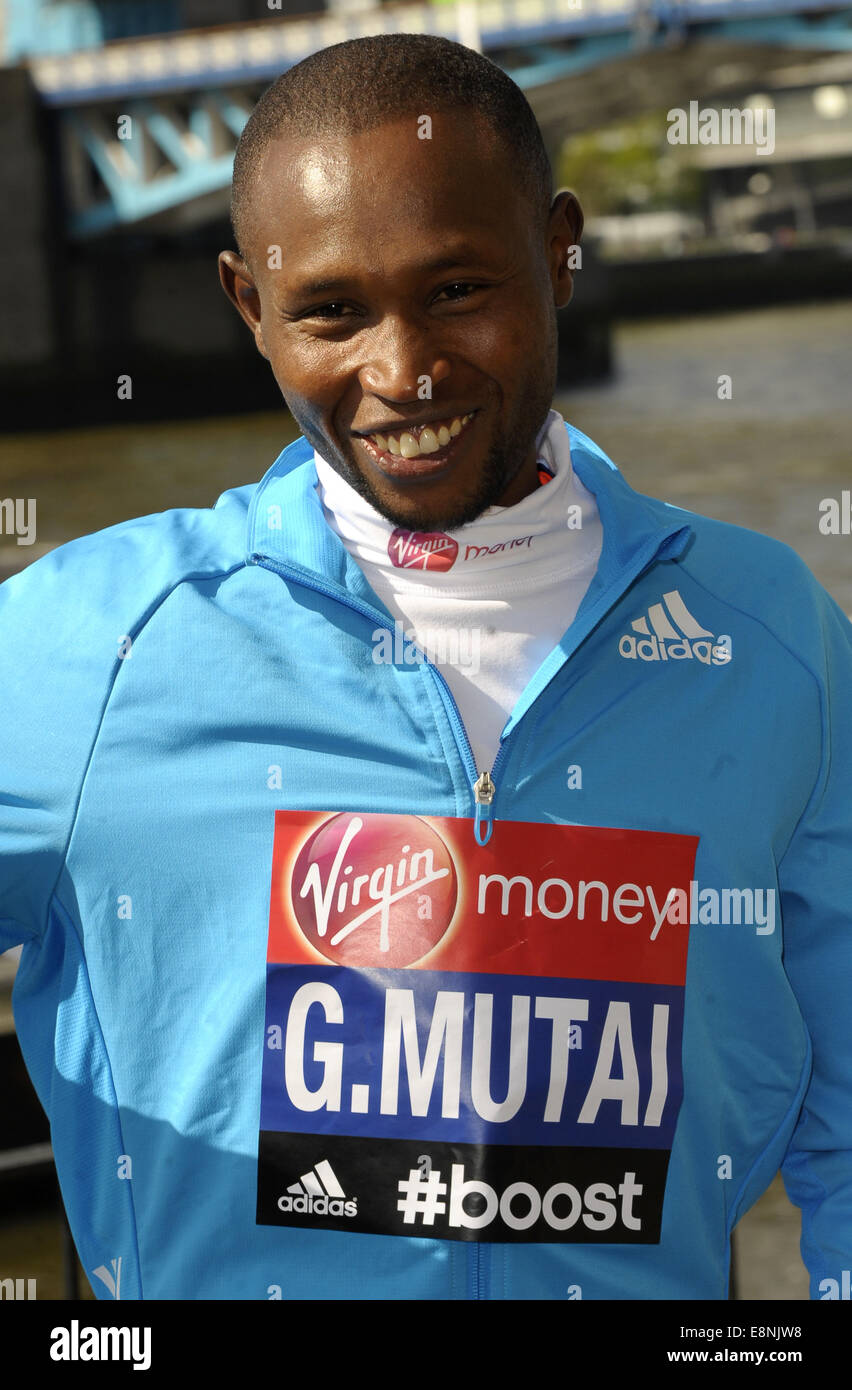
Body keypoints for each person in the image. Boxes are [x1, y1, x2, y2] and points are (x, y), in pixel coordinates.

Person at [1, 33, 850, 1303]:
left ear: (560, 251)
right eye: (332, 311)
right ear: (248, 307)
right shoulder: (93, 644)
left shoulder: (764, 635)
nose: (402, 374)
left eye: (458, 290)